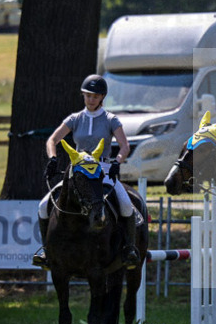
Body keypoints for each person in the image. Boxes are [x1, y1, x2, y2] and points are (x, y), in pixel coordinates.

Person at [32, 74, 140, 269]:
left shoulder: (111, 119)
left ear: (102, 98)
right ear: (83, 95)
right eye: (88, 95)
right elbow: (52, 140)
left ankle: (129, 248)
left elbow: (124, 146)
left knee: (125, 205)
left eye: (95, 96)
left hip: (103, 170)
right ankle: (47, 250)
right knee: (43, 205)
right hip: (78, 171)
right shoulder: (75, 119)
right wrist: (53, 158)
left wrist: (117, 161)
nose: (91, 100)